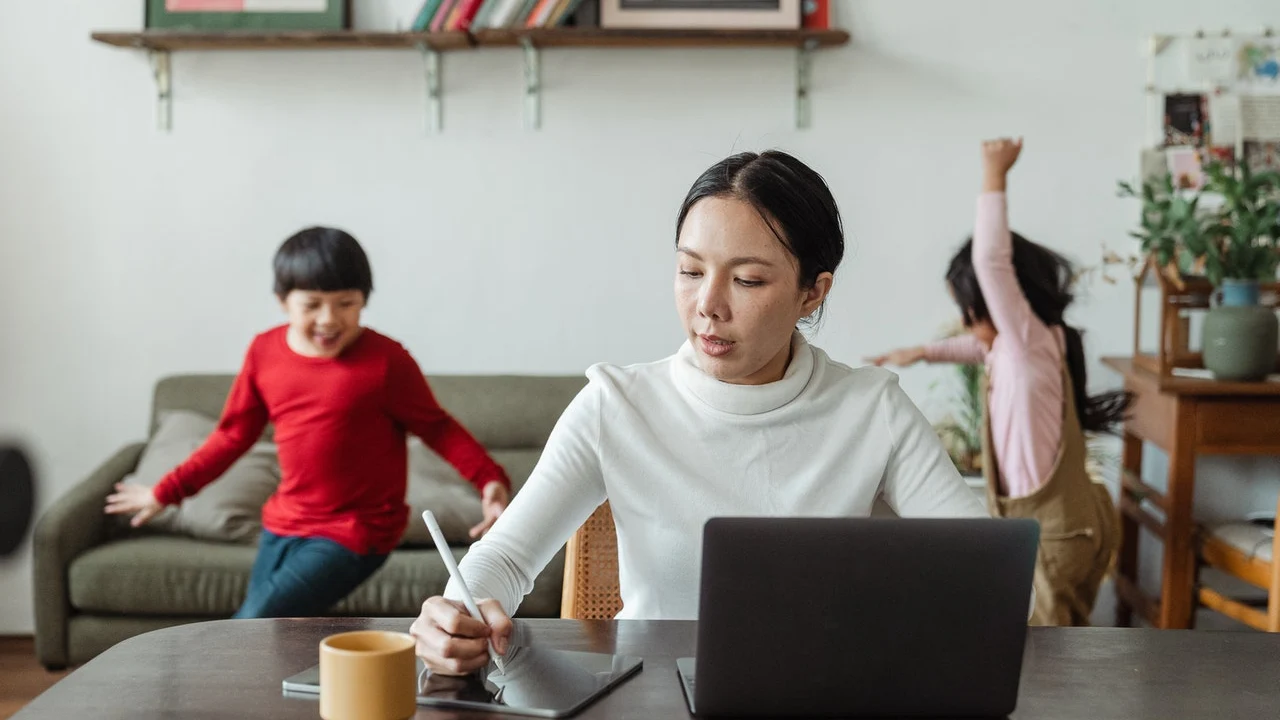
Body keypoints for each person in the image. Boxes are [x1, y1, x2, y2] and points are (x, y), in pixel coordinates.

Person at [410, 150, 989, 675]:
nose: (708, 305)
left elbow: (982, 567)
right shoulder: (617, 405)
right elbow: (507, 558)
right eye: (690, 271)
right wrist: (457, 612)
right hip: (649, 698)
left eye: (747, 279)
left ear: (813, 292)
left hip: (820, 692)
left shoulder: (871, 408)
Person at [106, 227, 512, 618]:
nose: (329, 319)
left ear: (364, 300)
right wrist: (167, 491)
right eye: (312, 304)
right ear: (284, 301)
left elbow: (437, 427)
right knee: (269, 636)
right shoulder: (264, 352)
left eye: (346, 303)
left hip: (357, 531)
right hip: (284, 522)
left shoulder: (387, 362)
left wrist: (489, 480)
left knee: (252, 624)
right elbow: (232, 435)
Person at [868, 138, 1125, 626]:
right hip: (1052, 526)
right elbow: (977, 347)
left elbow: (990, 261)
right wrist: (922, 352)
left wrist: (994, 174)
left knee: (1048, 657)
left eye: (967, 311)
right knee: (1037, 649)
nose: (965, 325)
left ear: (998, 302)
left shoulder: (1026, 340)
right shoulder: (1024, 348)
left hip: (1055, 534)